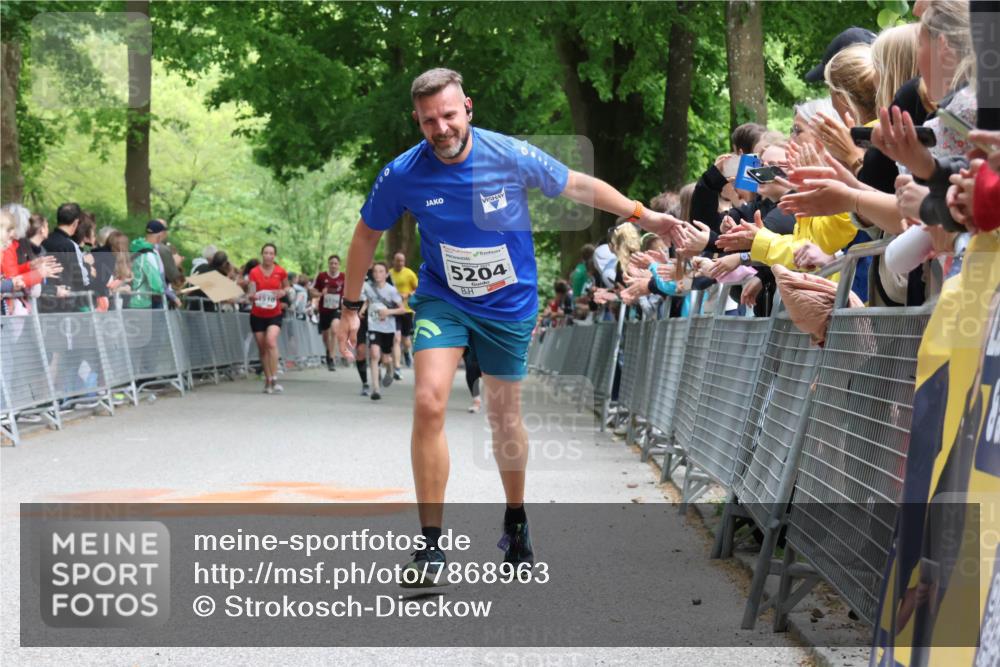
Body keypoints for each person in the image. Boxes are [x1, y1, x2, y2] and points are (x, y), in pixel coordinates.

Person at [337, 67, 687, 585]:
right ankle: (431, 545)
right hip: (444, 297)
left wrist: (644, 215)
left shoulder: (507, 154)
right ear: (418, 120)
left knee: (503, 418)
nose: (441, 128)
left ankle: (516, 516)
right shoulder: (403, 174)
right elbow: (366, 235)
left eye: (449, 115)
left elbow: (578, 184)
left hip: (508, 302)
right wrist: (349, 305)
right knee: (429, 399)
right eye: (429, 120)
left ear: (468, 108)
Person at [247, 243, 289, 394]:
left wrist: (282, 292)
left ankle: (275, 377)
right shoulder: (254, 272)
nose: (268, 256)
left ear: (274, 256)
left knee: (270, 341)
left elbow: (287, 287)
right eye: (266, 253)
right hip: (257, 314)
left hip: (274, 314)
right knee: (263, 348)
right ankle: (268, 379)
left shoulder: (280, 271)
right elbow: (251, 291)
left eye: (271, 253)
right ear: (262, 254)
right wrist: (252, 295)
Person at [363, 261, 406, 400]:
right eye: (375, 271)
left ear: (386, 274)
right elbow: (368, 301)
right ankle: (376, 389)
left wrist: (388, 311)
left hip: (388, 328)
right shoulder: (369, 288)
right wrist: (362, 311)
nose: (377, 274)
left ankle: (389, 368)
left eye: (381, 271)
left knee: (386, 358)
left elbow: (402, 309)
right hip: (374, 326)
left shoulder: (391, 290)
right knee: (374, 354)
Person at [312, 254, 345, 371]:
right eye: (331, 263)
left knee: (335, 329)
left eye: (336, 263)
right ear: (328, 264)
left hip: (337, 309)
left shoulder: (343, 277)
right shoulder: (321, 276)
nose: (333, 265)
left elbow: (348, 293)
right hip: (324, 309)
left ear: (339, 265)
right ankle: (328, 351)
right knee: (326, 336)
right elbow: (313, 292)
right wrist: (321, 294)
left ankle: (331, 358)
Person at [389, 251, 419, 373]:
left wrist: (408, 294)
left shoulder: (409, 273)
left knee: (405, 339)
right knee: (396, 338)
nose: (400, 263)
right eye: (398, 260)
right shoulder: (389, 274)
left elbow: (418, 289)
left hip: (406, 310)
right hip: (394, 310)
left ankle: (407, 352)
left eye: (402, 261)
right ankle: (397, 366)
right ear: (394, 261)